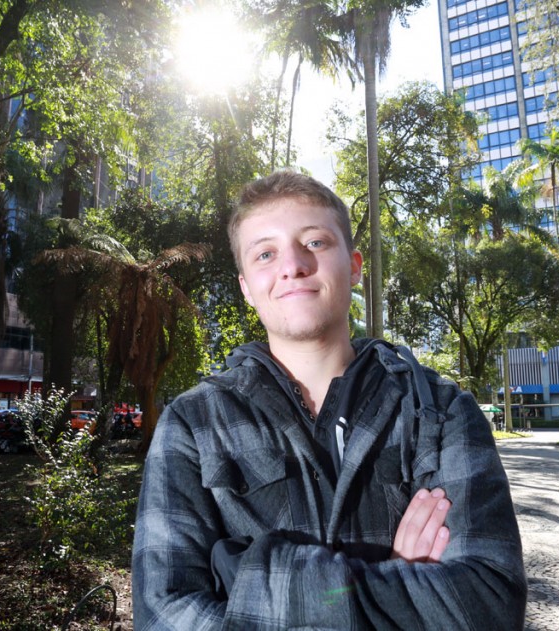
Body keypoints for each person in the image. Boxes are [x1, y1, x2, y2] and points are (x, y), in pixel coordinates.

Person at [131, 171, 527, 629]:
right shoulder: (193, 423)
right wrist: (395, 580)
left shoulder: (441, 413)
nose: (293, 265)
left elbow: (489, 602)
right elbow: (162, 614)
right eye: (265, 253)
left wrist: (247, 580)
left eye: (315, 242)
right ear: (246, 288)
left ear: (354, 266)